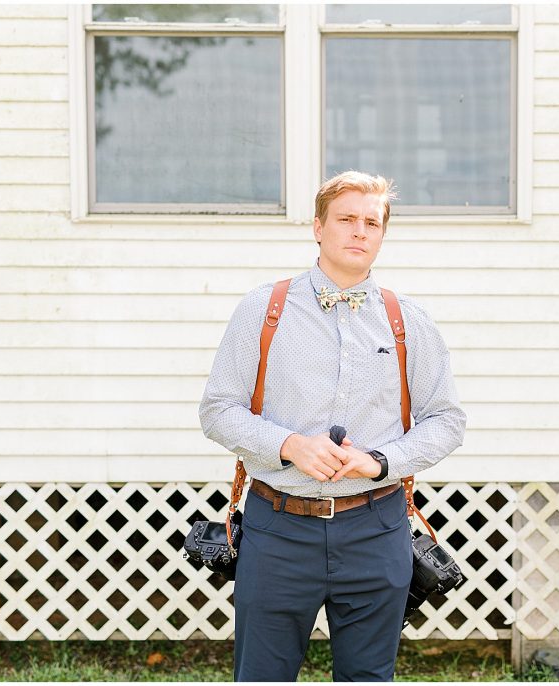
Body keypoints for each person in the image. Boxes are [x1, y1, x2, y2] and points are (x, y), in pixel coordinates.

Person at [198, 170, 467, 681]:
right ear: (318, 227)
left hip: (376, 526)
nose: (360, 231)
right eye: (346, 219)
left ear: (382, 234)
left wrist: (382, 461)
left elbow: (447, 421)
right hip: (277, 528)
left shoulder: (408, 321)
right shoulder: (264, 310)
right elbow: (218, 409)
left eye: (372, 222)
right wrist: (289, 445)